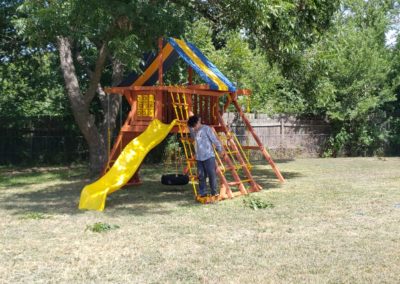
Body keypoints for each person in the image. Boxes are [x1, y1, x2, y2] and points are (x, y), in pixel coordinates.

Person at [187, 115, 224, 198]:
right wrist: (189, 126)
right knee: (201, 176)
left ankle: (214, 192)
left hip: (209, 156)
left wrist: (220, 149)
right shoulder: (195, 131)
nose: (194, 128)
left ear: (198, 122)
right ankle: (203, 193)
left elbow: (214, 140)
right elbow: (193, 137)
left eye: (194, 126)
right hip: (199, 158)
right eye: (192, 127)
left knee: (211, 175)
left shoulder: (206, 129)